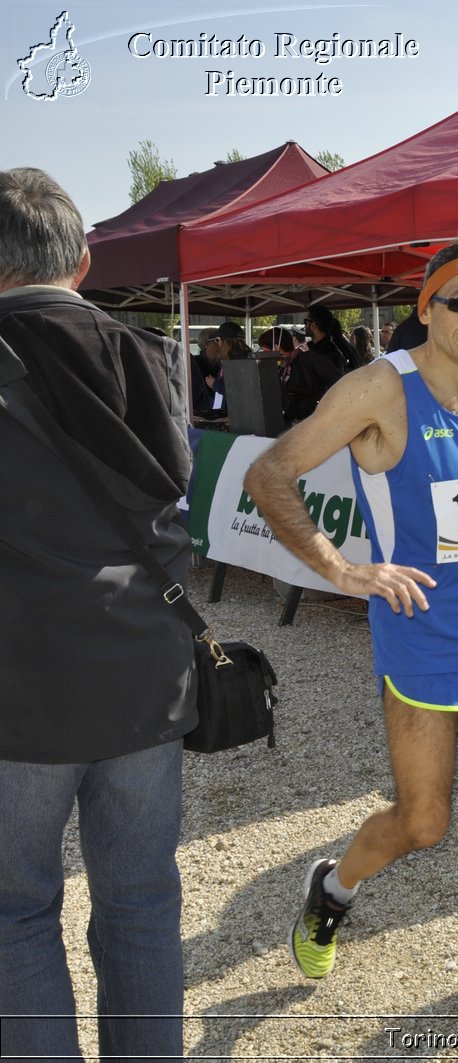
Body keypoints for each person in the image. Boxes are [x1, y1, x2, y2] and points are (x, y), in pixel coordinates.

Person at [243, 238, 458, 1015]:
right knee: (424, 821)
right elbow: (268, 474)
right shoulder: (380, 388)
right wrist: (342, 570)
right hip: (421, 630)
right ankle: (332, 890)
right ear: (426, 307)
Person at [0, 166, 195, 1060]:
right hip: (144, 671)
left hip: (21, 681)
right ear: (81, 260)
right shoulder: (143, 352)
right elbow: (175, 500)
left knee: (15, 912)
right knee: (142, 900)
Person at [280, 320, 344, 425]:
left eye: (307, 322)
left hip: (309, 416)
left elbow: (335, 381)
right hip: (300, 415)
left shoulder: (312, 356)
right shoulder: (296, 358)